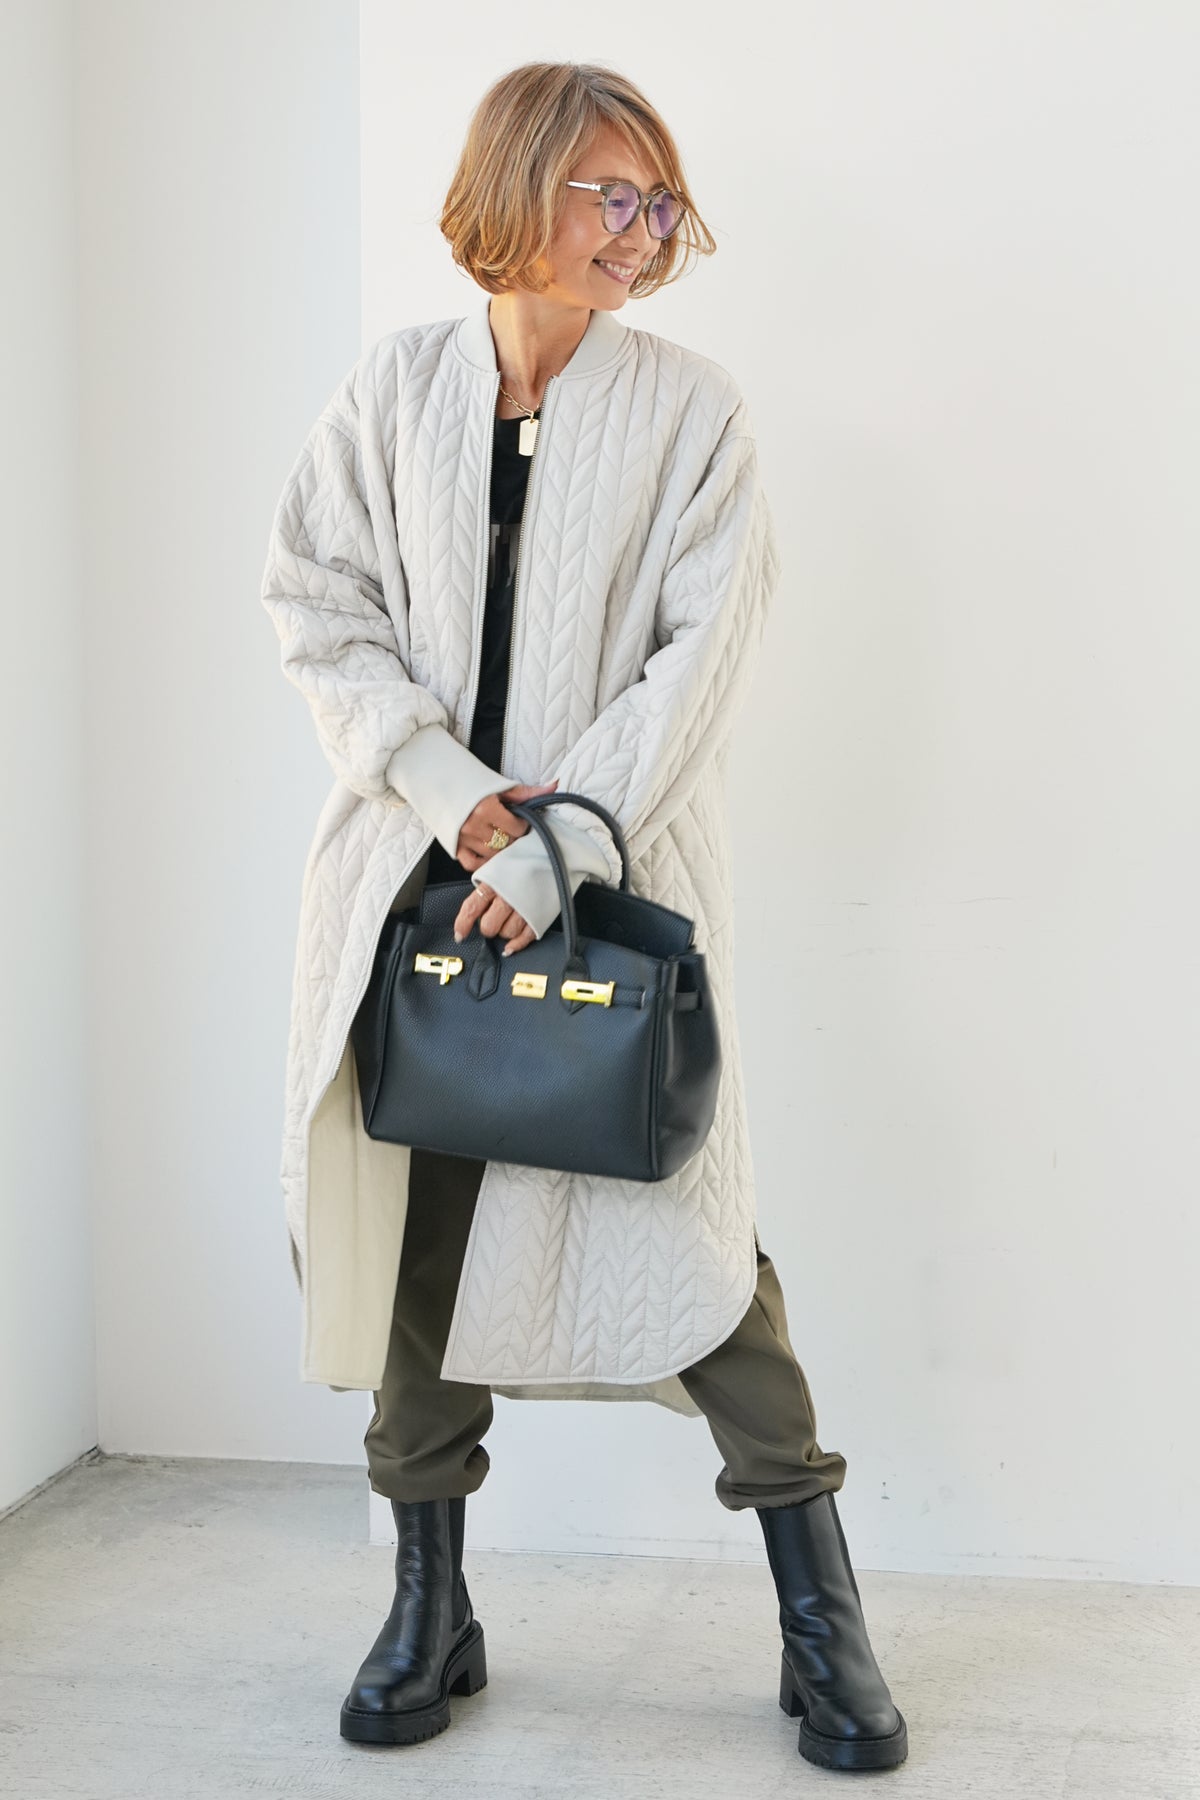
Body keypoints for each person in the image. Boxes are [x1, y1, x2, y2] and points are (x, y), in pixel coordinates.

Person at [260, 60, 908, 1775]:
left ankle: (821, 1616)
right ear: (518, 189)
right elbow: (317, 602)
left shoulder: (695, 416)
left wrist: (549, 849)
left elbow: (701, 662)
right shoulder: (393, 391)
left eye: (657, 202)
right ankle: (430, 1607)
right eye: (609, 194)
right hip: (411, 884)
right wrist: (438, 789)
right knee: (418, 1240)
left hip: (609, 893)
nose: (641, 230)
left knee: (695, 1247)